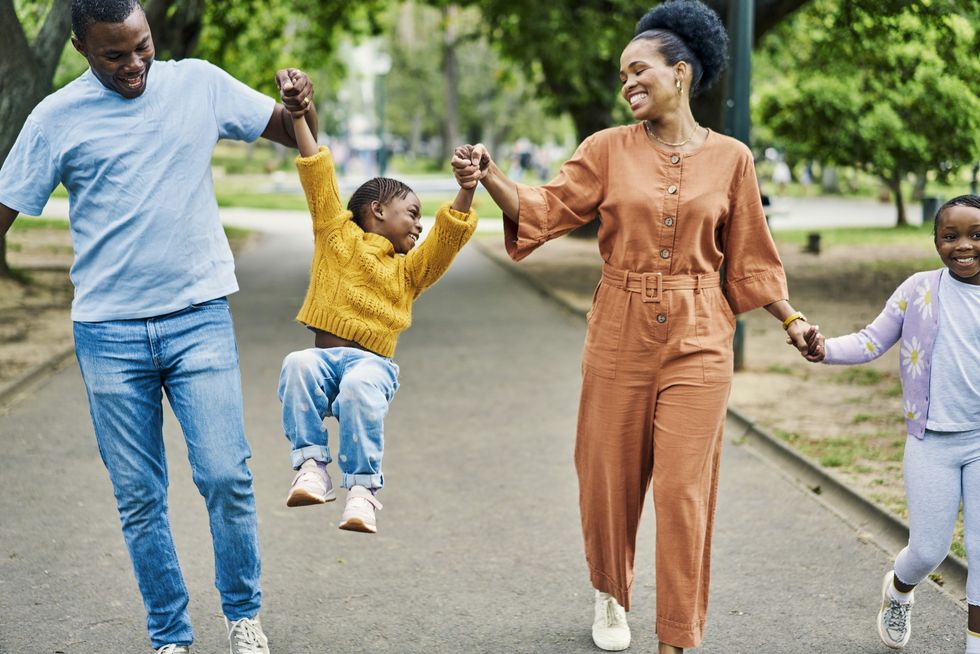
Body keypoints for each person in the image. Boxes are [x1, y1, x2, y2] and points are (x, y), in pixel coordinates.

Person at [452, 1, 817, 651]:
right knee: (607, 476)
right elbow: (547, 208)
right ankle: (611, 593)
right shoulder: (605, 149)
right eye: (622, 75)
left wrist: (791, 320)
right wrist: (489, 178)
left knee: (683, 490)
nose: (627, 83)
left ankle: (677, 636)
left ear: (682, 73)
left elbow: (753, 255)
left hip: (701, 332)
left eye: (639, 69)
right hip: (619, 324)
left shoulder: (732, 158)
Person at [0, 1, 318, 652]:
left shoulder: (197, 83)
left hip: (197, 317)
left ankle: (243, 614)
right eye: (115, 54)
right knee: (140, 495)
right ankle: (170, 635)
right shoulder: (55, 118)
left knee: (225, 475)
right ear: (79, 48)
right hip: (108, 332)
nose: (134, 64)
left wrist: (302, 104)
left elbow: (294, 133)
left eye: (142, 46)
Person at [275, 75, 478, 535]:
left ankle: (362, 491)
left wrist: (466, 188)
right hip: (325, 361)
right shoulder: (335, 235)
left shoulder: (409, 271)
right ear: (379, 210)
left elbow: (447, 239)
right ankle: (311, 467)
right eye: (412, 213)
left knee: (360, 386)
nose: (419, 225)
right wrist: (298, 113)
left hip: (372, 366)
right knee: (297, 365)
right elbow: (316, 170)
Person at [807, 195, 980, 653]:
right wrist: (824, 348)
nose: (963, 245)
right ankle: (900, 589)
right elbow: (870, 341)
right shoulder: (920, 289)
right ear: (937, 241)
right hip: (932, 442)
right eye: (950, 236)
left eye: (976, 235)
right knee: (928, 550)